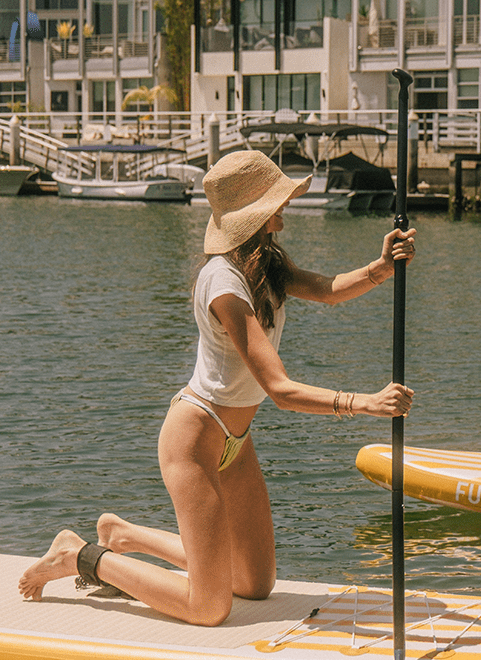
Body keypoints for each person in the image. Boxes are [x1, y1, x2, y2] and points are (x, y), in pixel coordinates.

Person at [20, 149, 417, 623]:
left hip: (236, 442)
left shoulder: (264, 264)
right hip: (193, 441)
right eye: (277, 203)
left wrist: (381, 268)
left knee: (255, 583)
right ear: (254, 214)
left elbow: (329, 289)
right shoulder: (223, 284)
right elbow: (280, 389)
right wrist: (365, 403)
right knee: (209, 608)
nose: (284, 211)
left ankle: (125, 535)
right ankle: (80, 555)